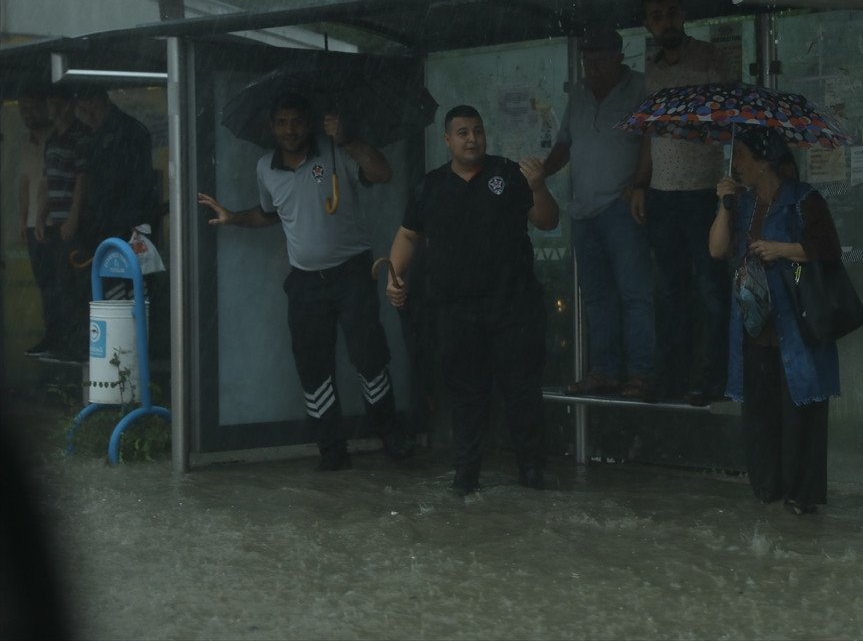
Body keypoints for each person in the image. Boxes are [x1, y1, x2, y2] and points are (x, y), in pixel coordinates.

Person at [198, 93, 411, 471]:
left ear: (308, 123)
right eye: (282, 122)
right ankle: (332, 451)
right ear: (271, 127)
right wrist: (233, 217)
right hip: (306, 284)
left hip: (352, 275)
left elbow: (383, 173)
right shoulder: (266, 168)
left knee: (369, 357)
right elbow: (269, 214)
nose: (290, 129)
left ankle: (391, 437)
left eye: (296, 121)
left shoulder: (335, 151)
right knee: (313, 367)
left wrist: (347, 139)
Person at [387, 105, 559, 496]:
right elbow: (408, 236)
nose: (471, 138)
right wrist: (395, 278)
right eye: (462, 132)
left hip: (513, 307)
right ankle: (466, 476)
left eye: (477, 131)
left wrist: (537, 186)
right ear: (447, 140)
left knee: (522, 393)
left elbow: (548, 221)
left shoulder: (509, 174)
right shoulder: (429, 185)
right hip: (456, 311)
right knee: (465, 396)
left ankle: (531, 472)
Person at [708, 127, 841, 516]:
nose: (737, 164)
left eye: (744, 156)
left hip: (798, 326)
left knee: (801, 413)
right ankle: (768, 491)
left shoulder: (804, 200)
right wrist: (725, 205)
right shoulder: (744, 203)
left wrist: (781, 249)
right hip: (755, 327)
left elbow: (828, 249)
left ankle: (803, 496)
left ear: (765, 161)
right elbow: (718, 248)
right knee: (762, 415)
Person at [542, 26, 657, 400]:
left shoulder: (640, 87)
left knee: (634, 293)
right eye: (587, 59)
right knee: (595, 296)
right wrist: (535, 175)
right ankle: (604, 372)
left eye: (599, 59)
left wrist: (639, 184)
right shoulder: (578, 94)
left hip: (621, 207)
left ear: (618, 56)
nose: (592, 66)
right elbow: (563, 145)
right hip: (584, 211)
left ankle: (640, 374)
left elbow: (651, 142)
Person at [630, 0, 730, 405]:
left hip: (704, 191)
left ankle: (713, 378)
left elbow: (731, 121)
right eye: (656, 16)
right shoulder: (651, 70)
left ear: (683, 13)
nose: (665, 21)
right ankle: (670, 376)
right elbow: (649, 133)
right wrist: (639, 183)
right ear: (647, 24)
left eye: (671, 12)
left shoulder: (709, 58)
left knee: (710, 289)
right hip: (662, 194)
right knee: (667, 291)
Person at [73, 85, 159, 304]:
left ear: (98, 103)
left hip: (125, 223)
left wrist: (127, 223)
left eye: (89, 111)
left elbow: (131, 185)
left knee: (130, 291)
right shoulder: (103, 133)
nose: (87, 118)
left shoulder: (125, 132)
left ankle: (135, 334)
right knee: (116, 290)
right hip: (112, 224)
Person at [34, 84, 91, 361]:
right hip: (56, 221)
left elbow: (82, 179)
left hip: (74, 224)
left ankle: (80, 343)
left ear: (70, 105)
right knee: (59, 284)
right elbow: (47, 180)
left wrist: (73, 218)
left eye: (58, 103)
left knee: (77, 286)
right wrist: (40, 216)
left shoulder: (80, 136)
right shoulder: (52, 138)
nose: (52, 109)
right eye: (50, 103)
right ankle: (62, 340)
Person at [15, 88, 54, 356]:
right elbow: (25, 182)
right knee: (43, 283)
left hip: (54, 220)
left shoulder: (58, 137)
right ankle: (50, 334)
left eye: (31, 108)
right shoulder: (27, 143)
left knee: (57, 284)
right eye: (23, 110)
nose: (27, 115)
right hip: (32, 223)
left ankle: (60, 335)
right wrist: (22, 218)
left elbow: (49, 181)